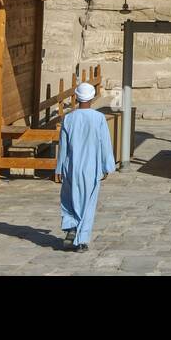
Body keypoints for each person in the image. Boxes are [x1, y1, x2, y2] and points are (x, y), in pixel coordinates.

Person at [56, 81, 116, 252]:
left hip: (71, 166)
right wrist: (107, 166)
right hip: (92, 167)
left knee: (69, 199)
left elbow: (63, 147)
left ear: (77, 97)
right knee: (88, 203)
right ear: (92, 98)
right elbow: (105, 143)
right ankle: (82, 240)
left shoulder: (68, 118)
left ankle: (71, 226)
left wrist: (59, 168)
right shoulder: (99, 119)